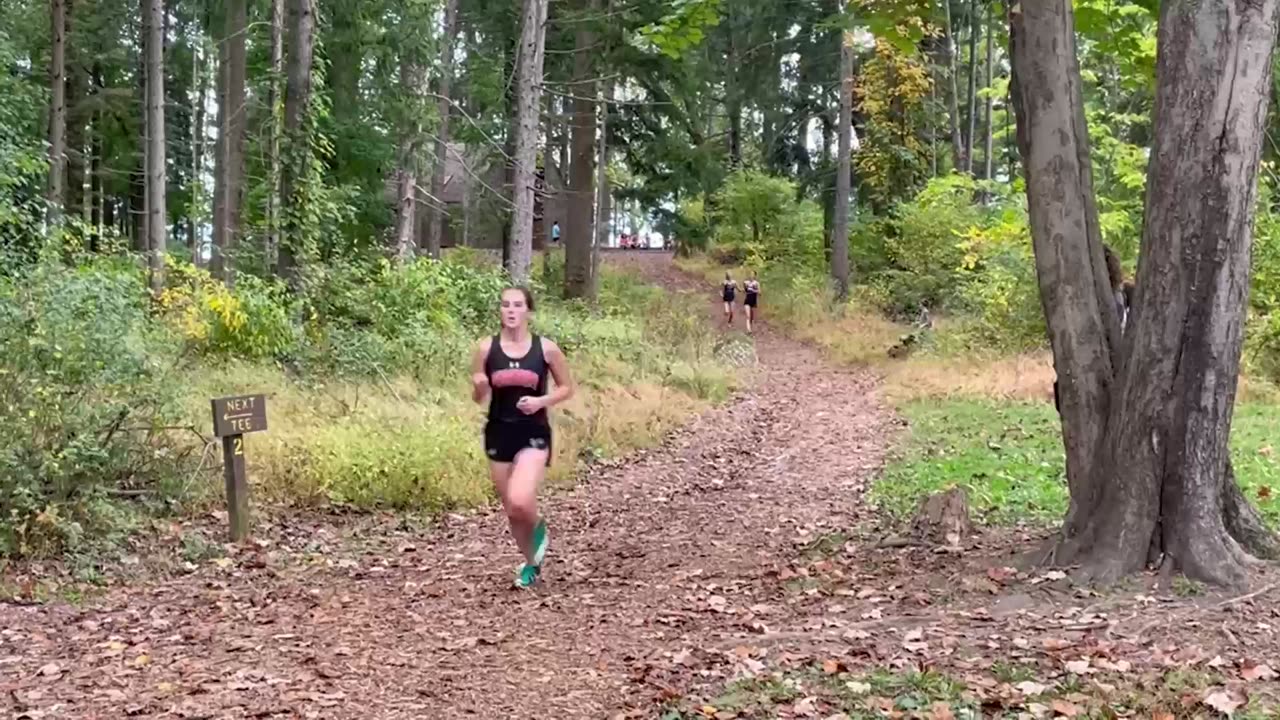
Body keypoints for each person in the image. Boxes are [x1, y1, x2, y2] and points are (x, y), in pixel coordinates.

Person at [470, 287, 575, 588]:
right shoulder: (486, 349)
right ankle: (531, 564)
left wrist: (541, 402)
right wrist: (479, 385)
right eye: (505, 305)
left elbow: (567, 387)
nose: (511, 311)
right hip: (499, 430)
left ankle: (539, 525)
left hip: (533, 431)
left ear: (528, 311)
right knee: (512, 510)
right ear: (500, 311)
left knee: (520, 499)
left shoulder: (546, 349)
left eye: (517, 305)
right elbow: (479, 397)